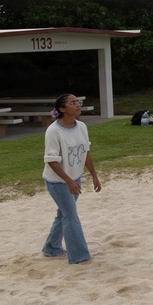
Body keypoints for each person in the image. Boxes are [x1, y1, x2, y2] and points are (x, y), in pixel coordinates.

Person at [41, 93, 102, 264]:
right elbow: (51, 160)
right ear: (62, 109)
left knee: (64, 213)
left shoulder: (81, 126)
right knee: (70, 215)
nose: (78, 105)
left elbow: (85, 153)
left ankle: (51, 248)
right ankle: (79, 256)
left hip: (75, 177)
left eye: (78, 102)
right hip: (58, 181)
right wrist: (68, 181)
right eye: (73, 103)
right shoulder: (53, 131)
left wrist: (94, 175)